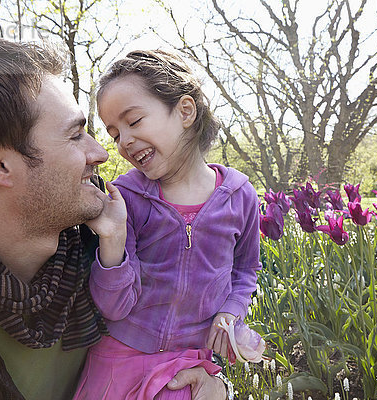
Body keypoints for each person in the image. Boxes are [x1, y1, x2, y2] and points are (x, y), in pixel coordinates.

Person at [0, 38, 227, 400]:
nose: (102, 153)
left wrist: (215, 384)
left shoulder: (112, 242)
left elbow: (186, 324)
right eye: (75, 135)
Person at [73, 50, 261, 399]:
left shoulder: (239, 195)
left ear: (185, 111)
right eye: (115, 134)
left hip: (189, 365)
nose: (124, 142)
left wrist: (230, 313)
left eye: (134, 121)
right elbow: (113, 307)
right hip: (118, 363)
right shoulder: (126, 198)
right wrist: (112, 238)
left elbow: (246, 269)